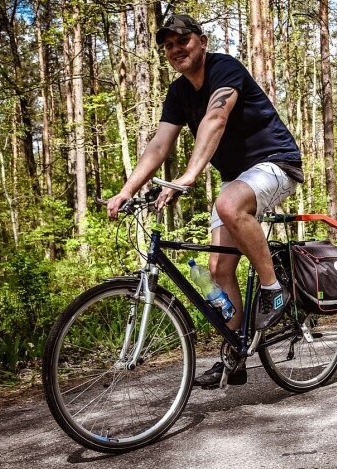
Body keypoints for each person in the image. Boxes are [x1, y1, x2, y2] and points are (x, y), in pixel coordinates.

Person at [106, 15, 303, 388]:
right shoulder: (178, 93)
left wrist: (188, 177)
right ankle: (234, 354)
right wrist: (127, 190)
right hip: (237, 177)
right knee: (217, 270)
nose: (176, 50)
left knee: (228, 205)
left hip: (275, 162)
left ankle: (274, 291)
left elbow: (215, 119)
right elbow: (160, 145)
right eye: (168, 45)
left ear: (201, 40)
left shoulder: (224, 68)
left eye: (182, 41)